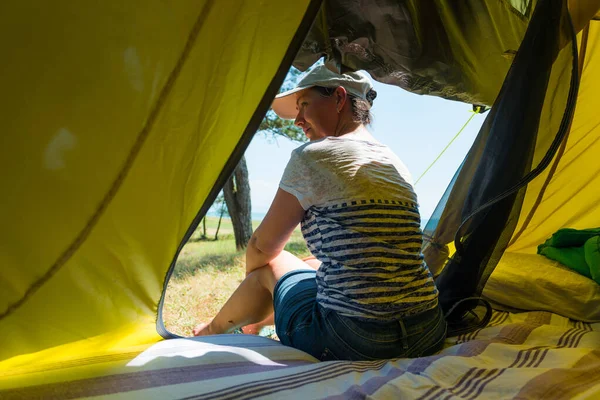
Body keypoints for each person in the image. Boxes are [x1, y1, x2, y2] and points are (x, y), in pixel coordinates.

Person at [192, 65, 447, 361]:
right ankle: (254, 323)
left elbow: (262, 246)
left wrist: (259, 285)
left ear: (339, 98)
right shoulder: (393, 161)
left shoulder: (312, 156)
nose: (298, 120)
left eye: (304, 105)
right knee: (311, 262)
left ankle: (213, 329)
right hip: (428, 329)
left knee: (270, 267)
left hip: (355, 337)